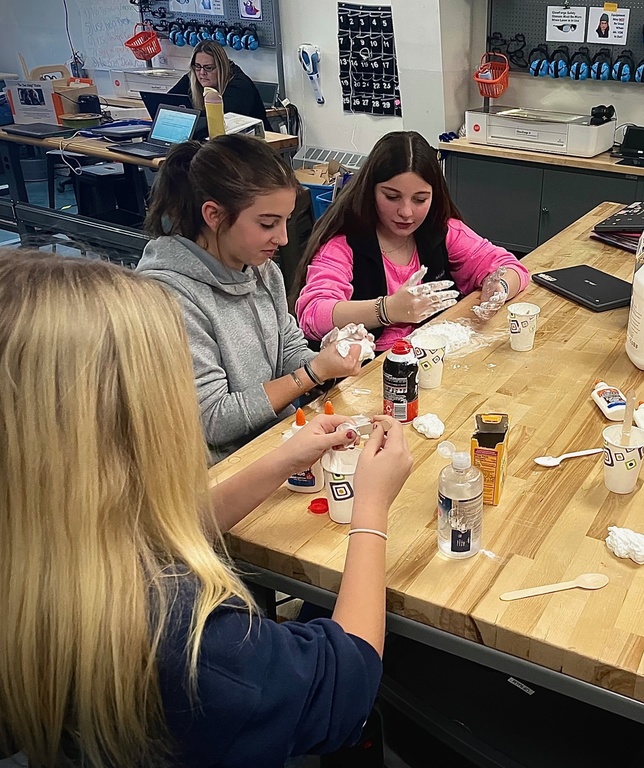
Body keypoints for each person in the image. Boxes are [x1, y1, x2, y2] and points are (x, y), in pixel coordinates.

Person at [0, 250, 414, 767]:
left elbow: (155, 531)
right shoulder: (185, 636)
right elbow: (343, 687)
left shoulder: (39, 551)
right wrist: (370, 510)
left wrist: (282, 459)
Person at [138, 134, 364, 463]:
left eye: (286, 221)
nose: (284, 238)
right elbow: (213, 420)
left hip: (275, 440)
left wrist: (330, 358)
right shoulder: (168, 297)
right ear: (214, 215)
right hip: (222, 471)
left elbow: (286, 346)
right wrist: (312, 373)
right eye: (268, 223)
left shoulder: (261, 270)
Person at [294, 131, 529, 352]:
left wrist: (500, 287)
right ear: (370, 191)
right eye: (392, 197)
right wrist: (387, 310)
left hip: (433, 353)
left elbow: (512, 268)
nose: (406, 212)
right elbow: (312, 314)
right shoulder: (344, 245)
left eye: (420, 199)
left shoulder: (443, 231)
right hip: (371, 369)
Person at [169, 39, 269, 130]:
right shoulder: (194, 76)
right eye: (197, 66)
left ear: (221, 68)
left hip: (251, 144)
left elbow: (220, 120)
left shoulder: (239, 86)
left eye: (208, 68)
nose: (202, 73)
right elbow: (166, 101)